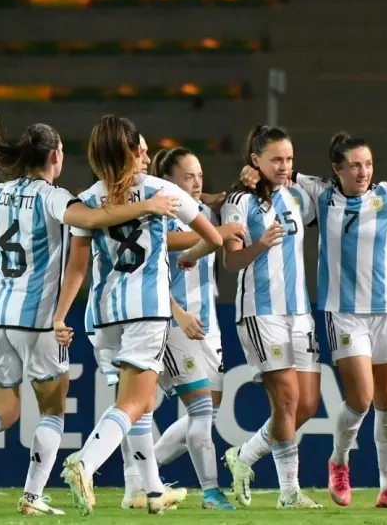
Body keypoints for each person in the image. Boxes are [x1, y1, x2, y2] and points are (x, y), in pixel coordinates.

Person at [0, 114, 180, 515]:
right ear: (54, 157)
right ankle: (32, 497)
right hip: (39, 321)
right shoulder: (54, 197)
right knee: (52, 410)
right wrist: (149, 204)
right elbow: (95, 218)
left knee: (2, 410)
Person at [237, 131, 387, 508]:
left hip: (386, 311)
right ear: (337, 169)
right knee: (361, 399)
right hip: (344, 315)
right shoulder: (319, 193)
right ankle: (339, 460)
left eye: (368, 164)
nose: (363, 172)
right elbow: (272, 173)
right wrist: (249, 174)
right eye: (355, 166)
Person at [52, 115, 223, 516]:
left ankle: (147, 490)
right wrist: (190, 257)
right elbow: (212, 238)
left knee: (139, 406)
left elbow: (76, 268)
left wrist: (61, 316)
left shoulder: (88, 199)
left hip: (104, 312)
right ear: (130, 151)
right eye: (141, 147)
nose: (147, 153)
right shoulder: (161, 190)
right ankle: (86, 462)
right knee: (136, 401)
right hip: (146, 309)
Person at [119, 147, 245, 511]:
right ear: (167, 181)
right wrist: (217, 232)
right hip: (174, 321)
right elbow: (171, 243)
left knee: (201, 409)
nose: (196, 183)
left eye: (200, 176)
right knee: (195, 407)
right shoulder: (163, 214)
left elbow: (212, 211)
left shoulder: (202, 210)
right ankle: (209, 491)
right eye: (188, 176)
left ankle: (145, 478)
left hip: (206, 323)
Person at [220, 125, 323, 509]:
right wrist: (260, 245)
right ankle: (289, 492)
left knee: (308, 405)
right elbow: (231, 260)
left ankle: (243, 455)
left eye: (289, 159)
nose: (284, 166)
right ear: (255, 160)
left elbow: (334, 193)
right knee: (286, 400)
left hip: (300, 312)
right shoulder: (239, 201)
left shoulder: (297, 195)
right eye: (276, 159)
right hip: (261, 312)